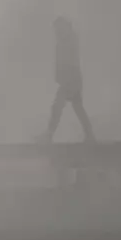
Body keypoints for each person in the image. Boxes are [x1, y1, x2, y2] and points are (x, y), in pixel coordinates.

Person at [46, 14, 95, 143]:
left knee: (58, 106)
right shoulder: (64, 39)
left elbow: (69, 61)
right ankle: (89, 134)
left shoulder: (69, 39)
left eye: (57, 27)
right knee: (77, 107)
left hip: (71, 79)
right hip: (70, 79)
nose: (56, 31)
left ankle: (49, 135)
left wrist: (65, 78)